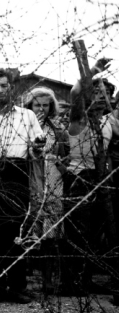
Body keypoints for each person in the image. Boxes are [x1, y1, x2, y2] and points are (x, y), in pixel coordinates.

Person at [0, 68, 43, 304]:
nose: (0, 90)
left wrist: (37, 146)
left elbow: (38, 142)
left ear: (11, 88)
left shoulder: (27, 116)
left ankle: (17, 286)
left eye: (4, 85)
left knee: (17, 230)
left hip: (17, 172)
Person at [61, 58, 114, 297]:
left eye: (106, 93)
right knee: (77, 232)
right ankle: (71, 282)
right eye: (98, 92)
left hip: (102, 179)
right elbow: (75, 91)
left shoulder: (108, 122)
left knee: (95, 232)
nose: (102, 97)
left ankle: (87, 279)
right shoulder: (79, 120)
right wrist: (94, 71)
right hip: (79, 177)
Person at [22, 87, 68, 295]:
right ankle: (25, 278)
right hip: (31, 179)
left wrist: (62, 163)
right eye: (37, 105)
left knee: (52, 232)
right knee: (29, 228)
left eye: (45, 105)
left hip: (53, 180)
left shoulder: (58, 128)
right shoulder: (23, 125)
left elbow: (67, 153)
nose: (41, 109)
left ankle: (48, 280)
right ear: (29, 106)